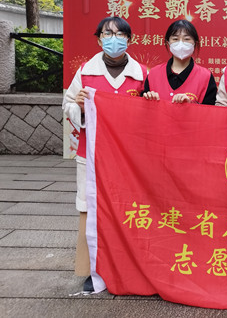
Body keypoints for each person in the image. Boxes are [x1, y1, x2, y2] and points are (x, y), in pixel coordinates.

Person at [63, 16, 147, 292]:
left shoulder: (141, 74)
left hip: (128, 158)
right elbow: (67, 104)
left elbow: (149, 114)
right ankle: (92, 269)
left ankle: (130, 266)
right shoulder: (86, 72)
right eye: (107, 34)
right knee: (91, 208)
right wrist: (79, 108)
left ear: (129, 39)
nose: (114, 39)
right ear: (99, 39)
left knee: (129, 209)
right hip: (92, 154)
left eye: (120, 34)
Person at [143, 20, 216, 105]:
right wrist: (148, 100)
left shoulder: (206, 76)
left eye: (186, 39)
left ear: (195, 43)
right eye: (175, 39)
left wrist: (191, 105)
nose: (181, 43)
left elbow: (210, 110)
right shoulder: (154, 74)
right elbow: (142, 108)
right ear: (168, 43)